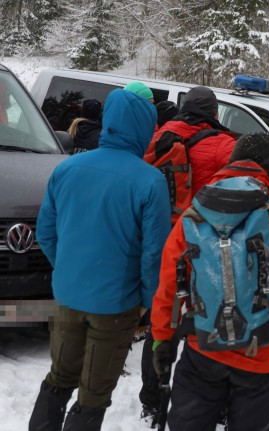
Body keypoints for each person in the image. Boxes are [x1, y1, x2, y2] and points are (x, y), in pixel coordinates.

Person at [150, 132, 269, 431]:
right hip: (264, 354)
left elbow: (169, 285)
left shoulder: (193, 216)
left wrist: (163, 338)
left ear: (231, 162)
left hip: (203, 347)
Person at [28, 88, 171, 431]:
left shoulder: (67, 169)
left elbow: (46, 232)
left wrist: (67, 269)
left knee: (59, 376)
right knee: (94, 391)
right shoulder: (150, 182)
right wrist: (150, 304)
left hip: (67, 293)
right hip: (116, 305)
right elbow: (154, 255)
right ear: (144, 128)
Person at [138, 86, 237, 423]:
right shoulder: (225, 144)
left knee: (162, 318)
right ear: (214, 112)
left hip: (164, 241)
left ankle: (152, 396)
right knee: (209, 319)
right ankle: (209, 400)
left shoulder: (160, 135)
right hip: (206, 247)